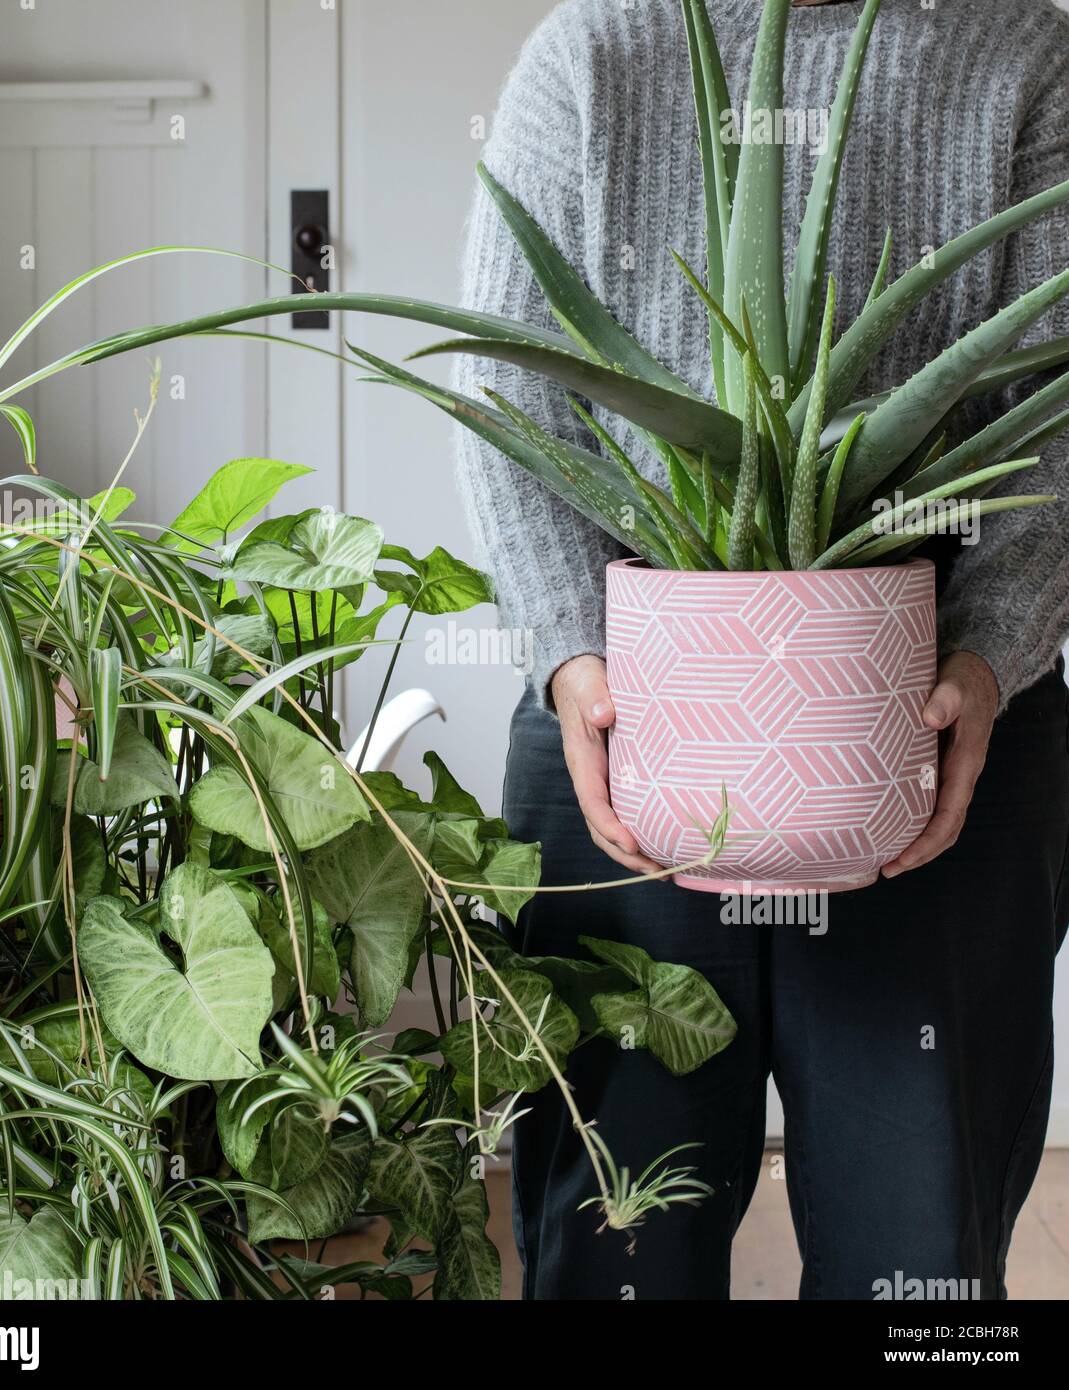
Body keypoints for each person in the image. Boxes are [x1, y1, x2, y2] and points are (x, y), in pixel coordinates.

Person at [455, 0, 1069, 1300]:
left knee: (923, 1260)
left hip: (930, 725)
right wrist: (572, 656)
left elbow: (1051, 420)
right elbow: (510, 383)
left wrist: (982, 663)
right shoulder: (597, 46)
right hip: (628, 717)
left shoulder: (1021, 45)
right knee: (615, 1244)